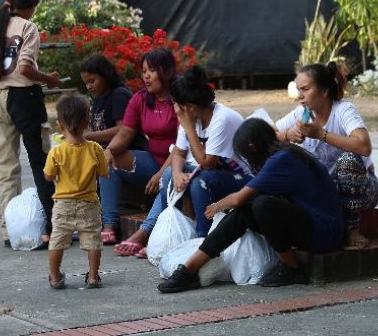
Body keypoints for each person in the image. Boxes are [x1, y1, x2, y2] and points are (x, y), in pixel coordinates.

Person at [157, 118, 344, 292]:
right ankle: (189, 270)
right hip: (313, 225)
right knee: (247, 211)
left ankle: (291, 267)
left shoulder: (282, 160)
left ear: (252, 147)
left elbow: (239, 198)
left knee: (262, 205)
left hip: (324, 233)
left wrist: (217, 206)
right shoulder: (283, 154)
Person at [0, 0, 61, 246]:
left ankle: (10, 230)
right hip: (25, 98)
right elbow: (24, 69)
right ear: (30, 7)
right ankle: (53, 224)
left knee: (6, 166)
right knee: (39, 160)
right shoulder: (27, 27)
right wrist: (49, 80)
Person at [275, 62, 378, 250]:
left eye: (305, 89)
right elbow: (269, 132)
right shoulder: (302, 113)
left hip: (363, 191)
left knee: (348, 160)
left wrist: (321, 135)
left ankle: (352, 230)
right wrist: (288, 135)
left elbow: (364, 146)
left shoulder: (343, 110)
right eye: (298, 90)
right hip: (327, 193)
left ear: (324, 91)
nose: (300, 96)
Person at [156, 65, 250, 237]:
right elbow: (179, 153)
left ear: (189, 106)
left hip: (241, 180)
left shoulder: (221, 119)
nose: (175, 109)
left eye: (177, 105)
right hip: (215, 173)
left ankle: (202, 239)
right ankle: (168, 236)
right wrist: (177, 174)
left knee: (201, 180)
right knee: (169, 174)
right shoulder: (191, 117)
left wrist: (189, 128)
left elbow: (207, 163)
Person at [102, 48, 178, 252]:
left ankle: (144, 233)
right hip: (153, 161)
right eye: (144, 70)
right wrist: (108, 151)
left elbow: (183, 146)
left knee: (169, 176)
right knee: (108, 162)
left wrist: (161, 174)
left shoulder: (181, 97)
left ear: (169, 72)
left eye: (152, 70)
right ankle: (109, 225)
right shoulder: (140, 99)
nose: (146, 76)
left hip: (178, 163)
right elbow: (125, 133)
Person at [44, 94, 108, 289]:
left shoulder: (57, 151)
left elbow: (48, 176)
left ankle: (55, 277)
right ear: (87, 123)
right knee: (93, 240)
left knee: (58, 240)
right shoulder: (95, 148)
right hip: (89, 203)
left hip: (63, 204)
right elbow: (104, 172)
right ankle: (93, 277)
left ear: (60, 125)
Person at [80, 54, 143, 150]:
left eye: (92, 81)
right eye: (86, 83)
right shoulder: (98, 98)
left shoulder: (119, 95)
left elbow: (123, 129)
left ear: (105, 76)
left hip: (129, 152)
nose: (89, 86)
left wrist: (89, 136)